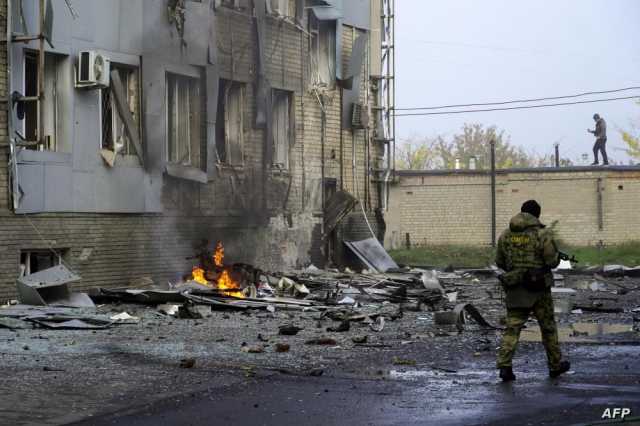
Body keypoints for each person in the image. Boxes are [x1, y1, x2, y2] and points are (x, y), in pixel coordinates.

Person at [495, 200, 570, 382]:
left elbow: (500, 262)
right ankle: (555, 366)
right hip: (539, 289)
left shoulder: (506, 235)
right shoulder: (542, 234)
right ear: (537, 215)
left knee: (512, 328)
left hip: (515, 288)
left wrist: (516, 270)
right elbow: (552, 262)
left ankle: (505, 366)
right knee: (548, 328)